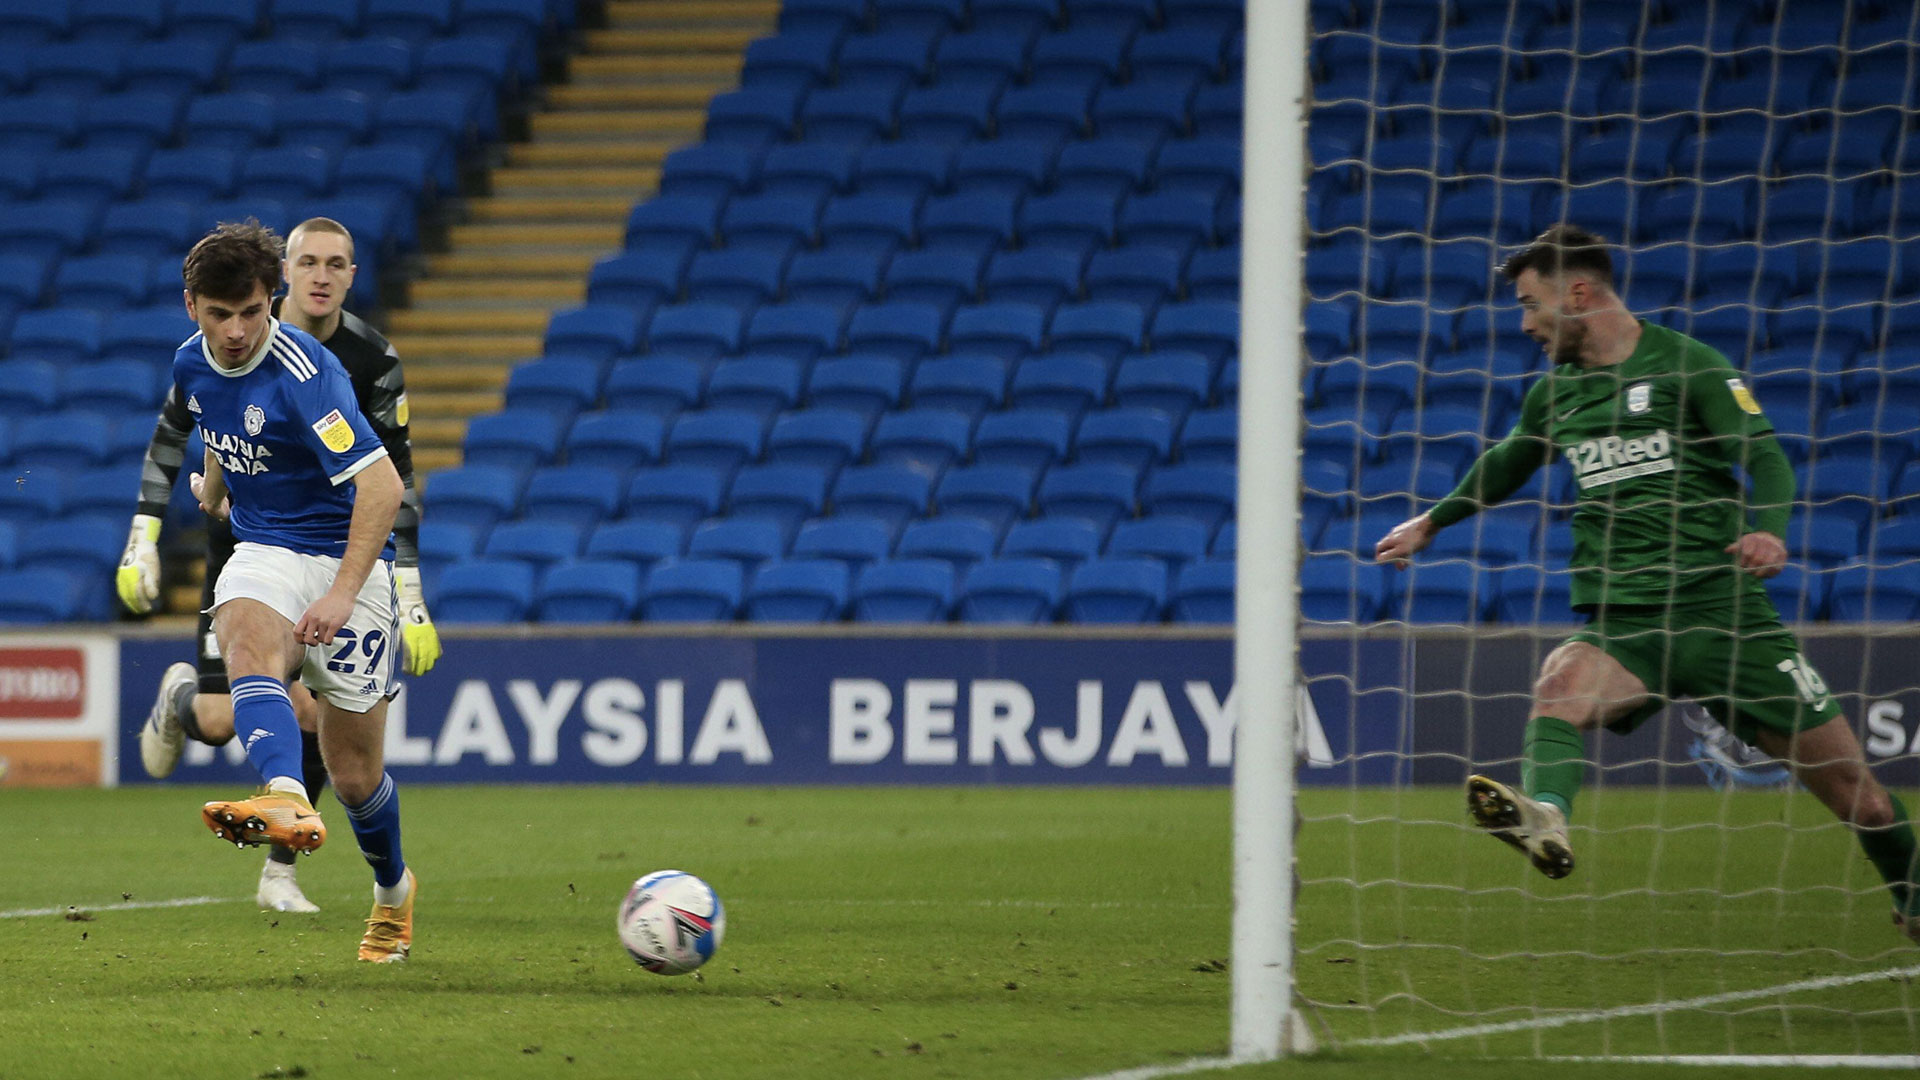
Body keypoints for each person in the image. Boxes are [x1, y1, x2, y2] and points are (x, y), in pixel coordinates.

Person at [1373, 224, 1919, 941]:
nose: (1527, 323)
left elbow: (1766, 456)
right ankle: (1546, 817)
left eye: (1532, 304)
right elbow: (1509, 460)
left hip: (1725, 619)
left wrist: (1772, 529)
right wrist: (1431, 523)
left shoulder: (1689, 366)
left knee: (1866, 805)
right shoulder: (1556, 394)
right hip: (1627, 622)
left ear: (1578, 292)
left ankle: (1913, 895)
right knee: (1559, 684)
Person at [120, 217, 442, 915]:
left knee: (356, 778)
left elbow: (383, 487)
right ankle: (285, 795)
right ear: (192, 307)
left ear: (271, 298)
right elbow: (214, 413)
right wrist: (215, 474)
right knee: (245, 641)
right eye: (219, 315)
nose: (236, 331)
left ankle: (393, 888)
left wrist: (346, 592)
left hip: (345, 561)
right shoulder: (189, 361)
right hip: (264, 547)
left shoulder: (309, 375)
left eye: (251, 312)